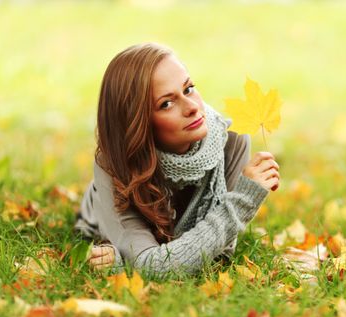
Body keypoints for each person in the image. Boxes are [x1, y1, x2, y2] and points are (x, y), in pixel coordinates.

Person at [74, 43, 280, 275]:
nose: (192, 107)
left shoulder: (231, 142)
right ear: (138, 124)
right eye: (166, 103)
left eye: (189, 88)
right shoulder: (114, 164)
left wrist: (131, 263)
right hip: (97, 211)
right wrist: (240, 202)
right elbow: (155, 268)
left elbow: (218, 255)